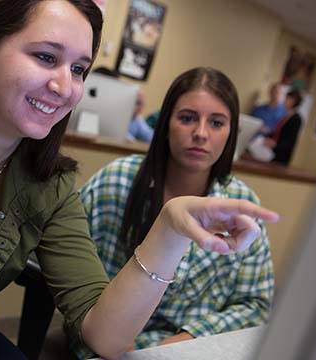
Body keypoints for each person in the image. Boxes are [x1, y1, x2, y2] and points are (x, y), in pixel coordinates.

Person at [0, 1, 278, 359]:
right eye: (46, 57)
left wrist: (170, 229)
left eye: (79, 69)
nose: (66, 87)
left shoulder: (50, 183)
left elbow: (104, 336)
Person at [79, 67, 275, 352]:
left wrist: (179, 344)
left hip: (193, 349)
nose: (200, 133)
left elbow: (255, 305)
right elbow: (72, 272)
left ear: (231, 133)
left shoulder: (241, 203)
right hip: (108, 343)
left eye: (217, 123)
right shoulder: (115, 181)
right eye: (187, 118)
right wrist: (120, 341)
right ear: (166, 123)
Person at [264, 89, 303, 165]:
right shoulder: (285, 115)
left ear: (294, 101)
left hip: (282, 155)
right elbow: (279, 133)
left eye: (288, 98)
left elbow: (290, 140)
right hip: (272, 153)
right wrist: (268, 134)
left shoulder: (296, 119)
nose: (285, 101)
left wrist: (276, 144)